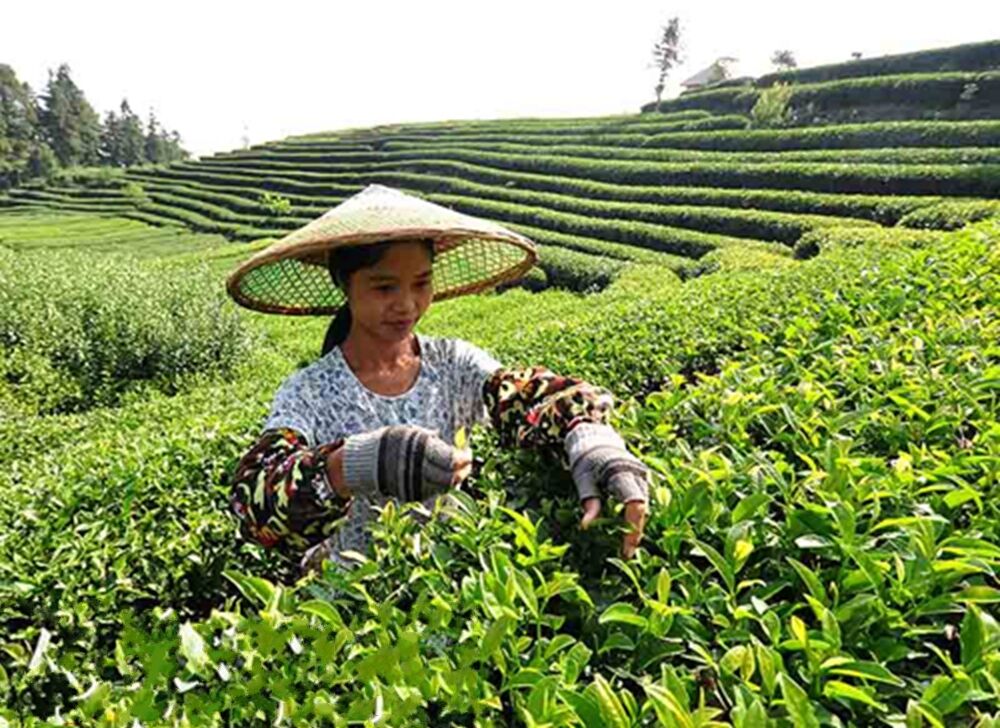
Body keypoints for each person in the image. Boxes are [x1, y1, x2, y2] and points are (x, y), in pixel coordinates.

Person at [225, 184, 650, 577]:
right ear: (345, 284)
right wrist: (358, 463)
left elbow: (521, 396)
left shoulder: (452, 363)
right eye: (384, 287)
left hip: (449, 583)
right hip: (356, 603)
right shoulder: (309, 391)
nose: (407, 304)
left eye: (421, 283)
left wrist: (590, 438)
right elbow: (254, 503)